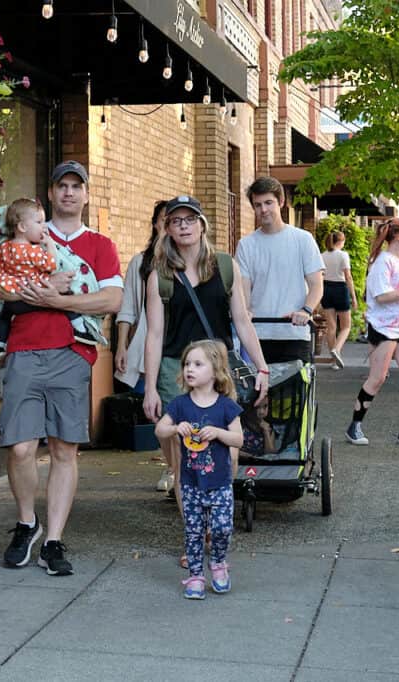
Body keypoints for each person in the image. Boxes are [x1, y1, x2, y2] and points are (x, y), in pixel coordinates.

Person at [0, 160, 123, 576]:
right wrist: (30, 294)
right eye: (61, 185)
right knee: (22, 446)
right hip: (23, 349)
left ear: (85, 194)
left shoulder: (99, 245)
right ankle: (27, 523)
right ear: (50, 193)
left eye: (76, 186)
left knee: (64, 448)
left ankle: (55, 540)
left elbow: (112, 301)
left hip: (70, 354)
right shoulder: (21, 236)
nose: (68, 193)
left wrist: (61, 303)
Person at [143, 194, 269, 565]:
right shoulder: (160, 275)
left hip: (219, 371)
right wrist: (149, 387)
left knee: (225, 455)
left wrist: (261, 366)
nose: (183, 225)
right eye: (176, 220)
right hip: (175, 371)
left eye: (190, 219)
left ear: (202, 225)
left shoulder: (225, 267)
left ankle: (217, 521)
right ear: (167, 228)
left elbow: (242, 321)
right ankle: (196, 538)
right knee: (185, 460)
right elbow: (153, 334)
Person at [154, 339, 244, 599]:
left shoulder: (226, 406)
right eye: (186, 364)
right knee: (192, 532)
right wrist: (174, 428)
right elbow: (160, 429)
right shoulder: (181, 405)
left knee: (221, 528)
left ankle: (218, 563)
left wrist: (218, 432)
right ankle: (195, 575)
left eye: (197, 364)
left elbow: (238, 439)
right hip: (191, 483)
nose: (189, 369)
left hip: (220, 482)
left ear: (215, 370)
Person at [344, 218, 399, 447]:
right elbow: (381, 296)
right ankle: (354, 425)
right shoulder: (382, 262)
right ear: (398, 237)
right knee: (377, 378)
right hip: (384, 327)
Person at [0, 198, 101, 370]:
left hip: (14, 300)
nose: (44, 226)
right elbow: (51, 264)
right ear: (23, 227)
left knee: (4, 316)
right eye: (39, 222)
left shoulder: (4, 248)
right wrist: (50, 244)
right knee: (64, 298)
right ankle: (80, 329)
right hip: (33, 299)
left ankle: (0, 346)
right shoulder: (32, 251)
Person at [114, 199, 174, 491]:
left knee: (183, 409)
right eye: (164, 220)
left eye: (174, 221)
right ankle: (171, 465)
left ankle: (181, 467)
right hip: (147, 348)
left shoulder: (190, 261)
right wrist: (121, 346)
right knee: (159, 414)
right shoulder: (141, 263)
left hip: (181, 349)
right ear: (156, 224)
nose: (169, 226)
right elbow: (127, 308)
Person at [237, 176, 324, 364]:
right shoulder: (246, 245)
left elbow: (316, 285)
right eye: (258, 205)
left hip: (294, 333)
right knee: (259, 392)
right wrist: (245, 311)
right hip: (257, 334)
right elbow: (243, 288)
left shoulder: (303, 240)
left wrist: (306, 310)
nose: (263, 210)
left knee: (292, 393)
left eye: (269, 203)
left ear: (281, 202)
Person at [320, 230, 357, 369]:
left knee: (331, 327)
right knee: (346, 326)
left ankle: (334, 360)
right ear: (340, 242)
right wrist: (353, 297)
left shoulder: (322, 255)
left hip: (326, 289)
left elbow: (319, 275)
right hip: (340, 289)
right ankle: (337, 349)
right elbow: (348, 277)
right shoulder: (343, 255)